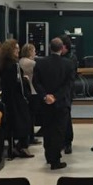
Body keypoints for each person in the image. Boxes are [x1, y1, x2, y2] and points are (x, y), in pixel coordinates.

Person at [33, 37, 75, 170]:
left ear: (49, 47)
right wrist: (56, 97)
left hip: (45, 103)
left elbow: (36, 82)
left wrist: (45, 96)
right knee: (59, 131)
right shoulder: (68, 64)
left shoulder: (40, 63)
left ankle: (48, 156)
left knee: (47, 129)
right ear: (62, 48)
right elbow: (68, 85)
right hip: (61, 103)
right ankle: (55, 160)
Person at [0, 39, 34, 159]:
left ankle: (12, 146)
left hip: (6, 97)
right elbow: (18, 84)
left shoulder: (2, 64)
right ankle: (22, 147)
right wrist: (25, 93)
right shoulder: (15, 65)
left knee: (10, 124)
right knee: (24, 122)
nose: (18, 51)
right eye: (16, 48)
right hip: (17, 98)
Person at [59, 34, 78, 154]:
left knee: (66, 117)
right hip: (58, 91)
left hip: (67, 91)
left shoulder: (71, 58)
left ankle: (67, 142)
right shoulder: (60, 56)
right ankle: (61, 141)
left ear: (65, 46)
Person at [19, 43, 40, 146]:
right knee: (32, 116)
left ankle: (27, 136)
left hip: (23, 92)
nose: (35, 53)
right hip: (33, 91)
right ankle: (31, 137)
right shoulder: (33, 63)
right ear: (30, 52)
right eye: (34, 50)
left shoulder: (19, 62)